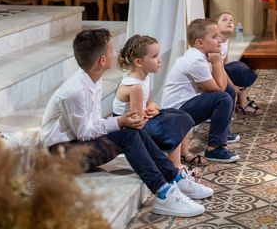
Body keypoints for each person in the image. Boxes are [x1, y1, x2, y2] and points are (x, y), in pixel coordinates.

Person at [41, 29, 213, 218]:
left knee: (129, 129)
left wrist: (120, 122)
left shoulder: (92, 80)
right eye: (110, 50)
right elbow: (84, 133)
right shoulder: (75, 91)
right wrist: (119, 121)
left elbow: (94, 124)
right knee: (127, 132)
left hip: (77, 145)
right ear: (102, 61)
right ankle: (164, 193)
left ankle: (174, 177)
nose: (115, 53)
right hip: (64, 154)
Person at [113, 34, 204, 170]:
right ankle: (175, 165)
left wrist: (153, 108)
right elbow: (137, 120)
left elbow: (150, 103)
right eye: (154, 56)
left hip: (140, 120)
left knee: (181, 115)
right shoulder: (135, 86)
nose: (159, 60)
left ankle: (181, 156)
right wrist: (152, 114)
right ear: (139, 62)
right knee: (175, 122)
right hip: (129, 128)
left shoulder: (144, 77)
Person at [161, 19, 240, 163]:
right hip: (174, 114)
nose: (219, 40)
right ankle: (214, 149)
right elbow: (219, 89)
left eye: (218, 36)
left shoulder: (200, 56)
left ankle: (222, 134)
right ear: (200, 43)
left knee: (228, 91)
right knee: (223, 98)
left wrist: (218, 61)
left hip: (184, 108)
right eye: (214, 37)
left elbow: (222, 85)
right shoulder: (195, 61)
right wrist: (217, 62)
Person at [215, 11, 260, 115]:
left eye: (231, 20)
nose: (229, 22)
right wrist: (232, 86)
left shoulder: (226, 40)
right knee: (238, 67)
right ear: (216, 25)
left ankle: (242, 102)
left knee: (238, 67)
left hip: (220, 71)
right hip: (213, 73)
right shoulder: (215, 41)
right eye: (225, 19)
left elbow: (225, 64)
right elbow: (218, 68)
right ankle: (243, 104)